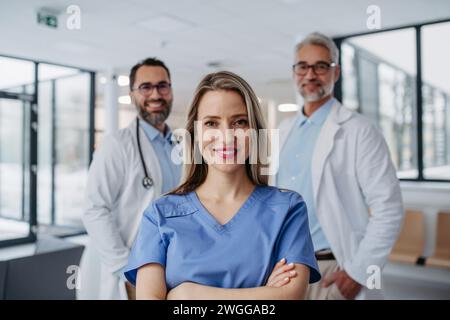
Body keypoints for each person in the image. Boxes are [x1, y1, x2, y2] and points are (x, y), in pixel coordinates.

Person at [124, 71, 321, 299]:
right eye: (211, 123)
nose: (227, 136)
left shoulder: (287, 208)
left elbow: (290, 296)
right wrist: (264, 293)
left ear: (255, 132)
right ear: (195, 134)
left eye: (239, 122)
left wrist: (187, 295)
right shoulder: (159, 215)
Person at [276, 32, 404, 300]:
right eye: (303, 66)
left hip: (332, 269)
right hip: (284, 269)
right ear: (294, 72)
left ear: (336, 72)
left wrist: (359, 273)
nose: (310, 74)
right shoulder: (284, 130)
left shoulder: (359, 131)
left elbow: (388, 208)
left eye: (321, 66)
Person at [78, 57, 182, 300]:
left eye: (162, 86)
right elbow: (94, 209)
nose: (155, 94)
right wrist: (127, 269)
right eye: (146, 87)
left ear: (171, 90)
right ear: (132, 94)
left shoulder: (180, 144)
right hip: (128, 272)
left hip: (169, 268)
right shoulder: (117, 144)